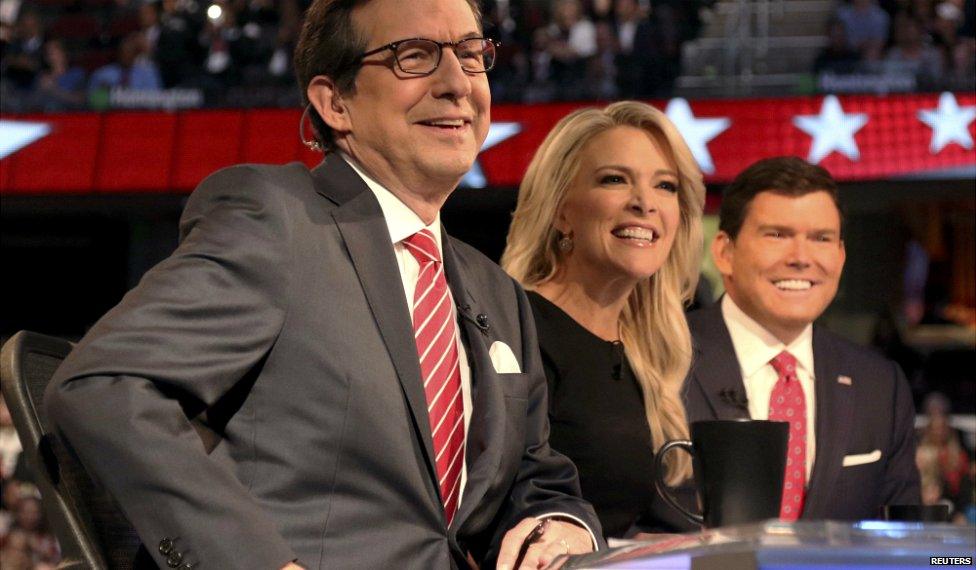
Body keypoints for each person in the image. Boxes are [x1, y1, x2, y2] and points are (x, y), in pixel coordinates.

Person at [44, 0, 601, 568]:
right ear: (335, 102)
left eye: (470, 54)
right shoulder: (278, 220)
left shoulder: (497, 292)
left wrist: (565, 522)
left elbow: (535, 476)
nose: (458, 83)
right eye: (415, 56)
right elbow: (105, 384)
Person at [502, 101, 706, 537]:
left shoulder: (644, 347)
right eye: (615, 180)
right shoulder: (514, 329)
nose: (645, 204)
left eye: (665, 186)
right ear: (561, 211)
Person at [683, 156, 920, 521]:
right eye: (777, 234)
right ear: (724, 253)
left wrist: (950, 562)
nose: (801, 258)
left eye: (820, 238)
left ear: (840, 256)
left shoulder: (880, 385)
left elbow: (911, 541)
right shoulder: (663, 358)